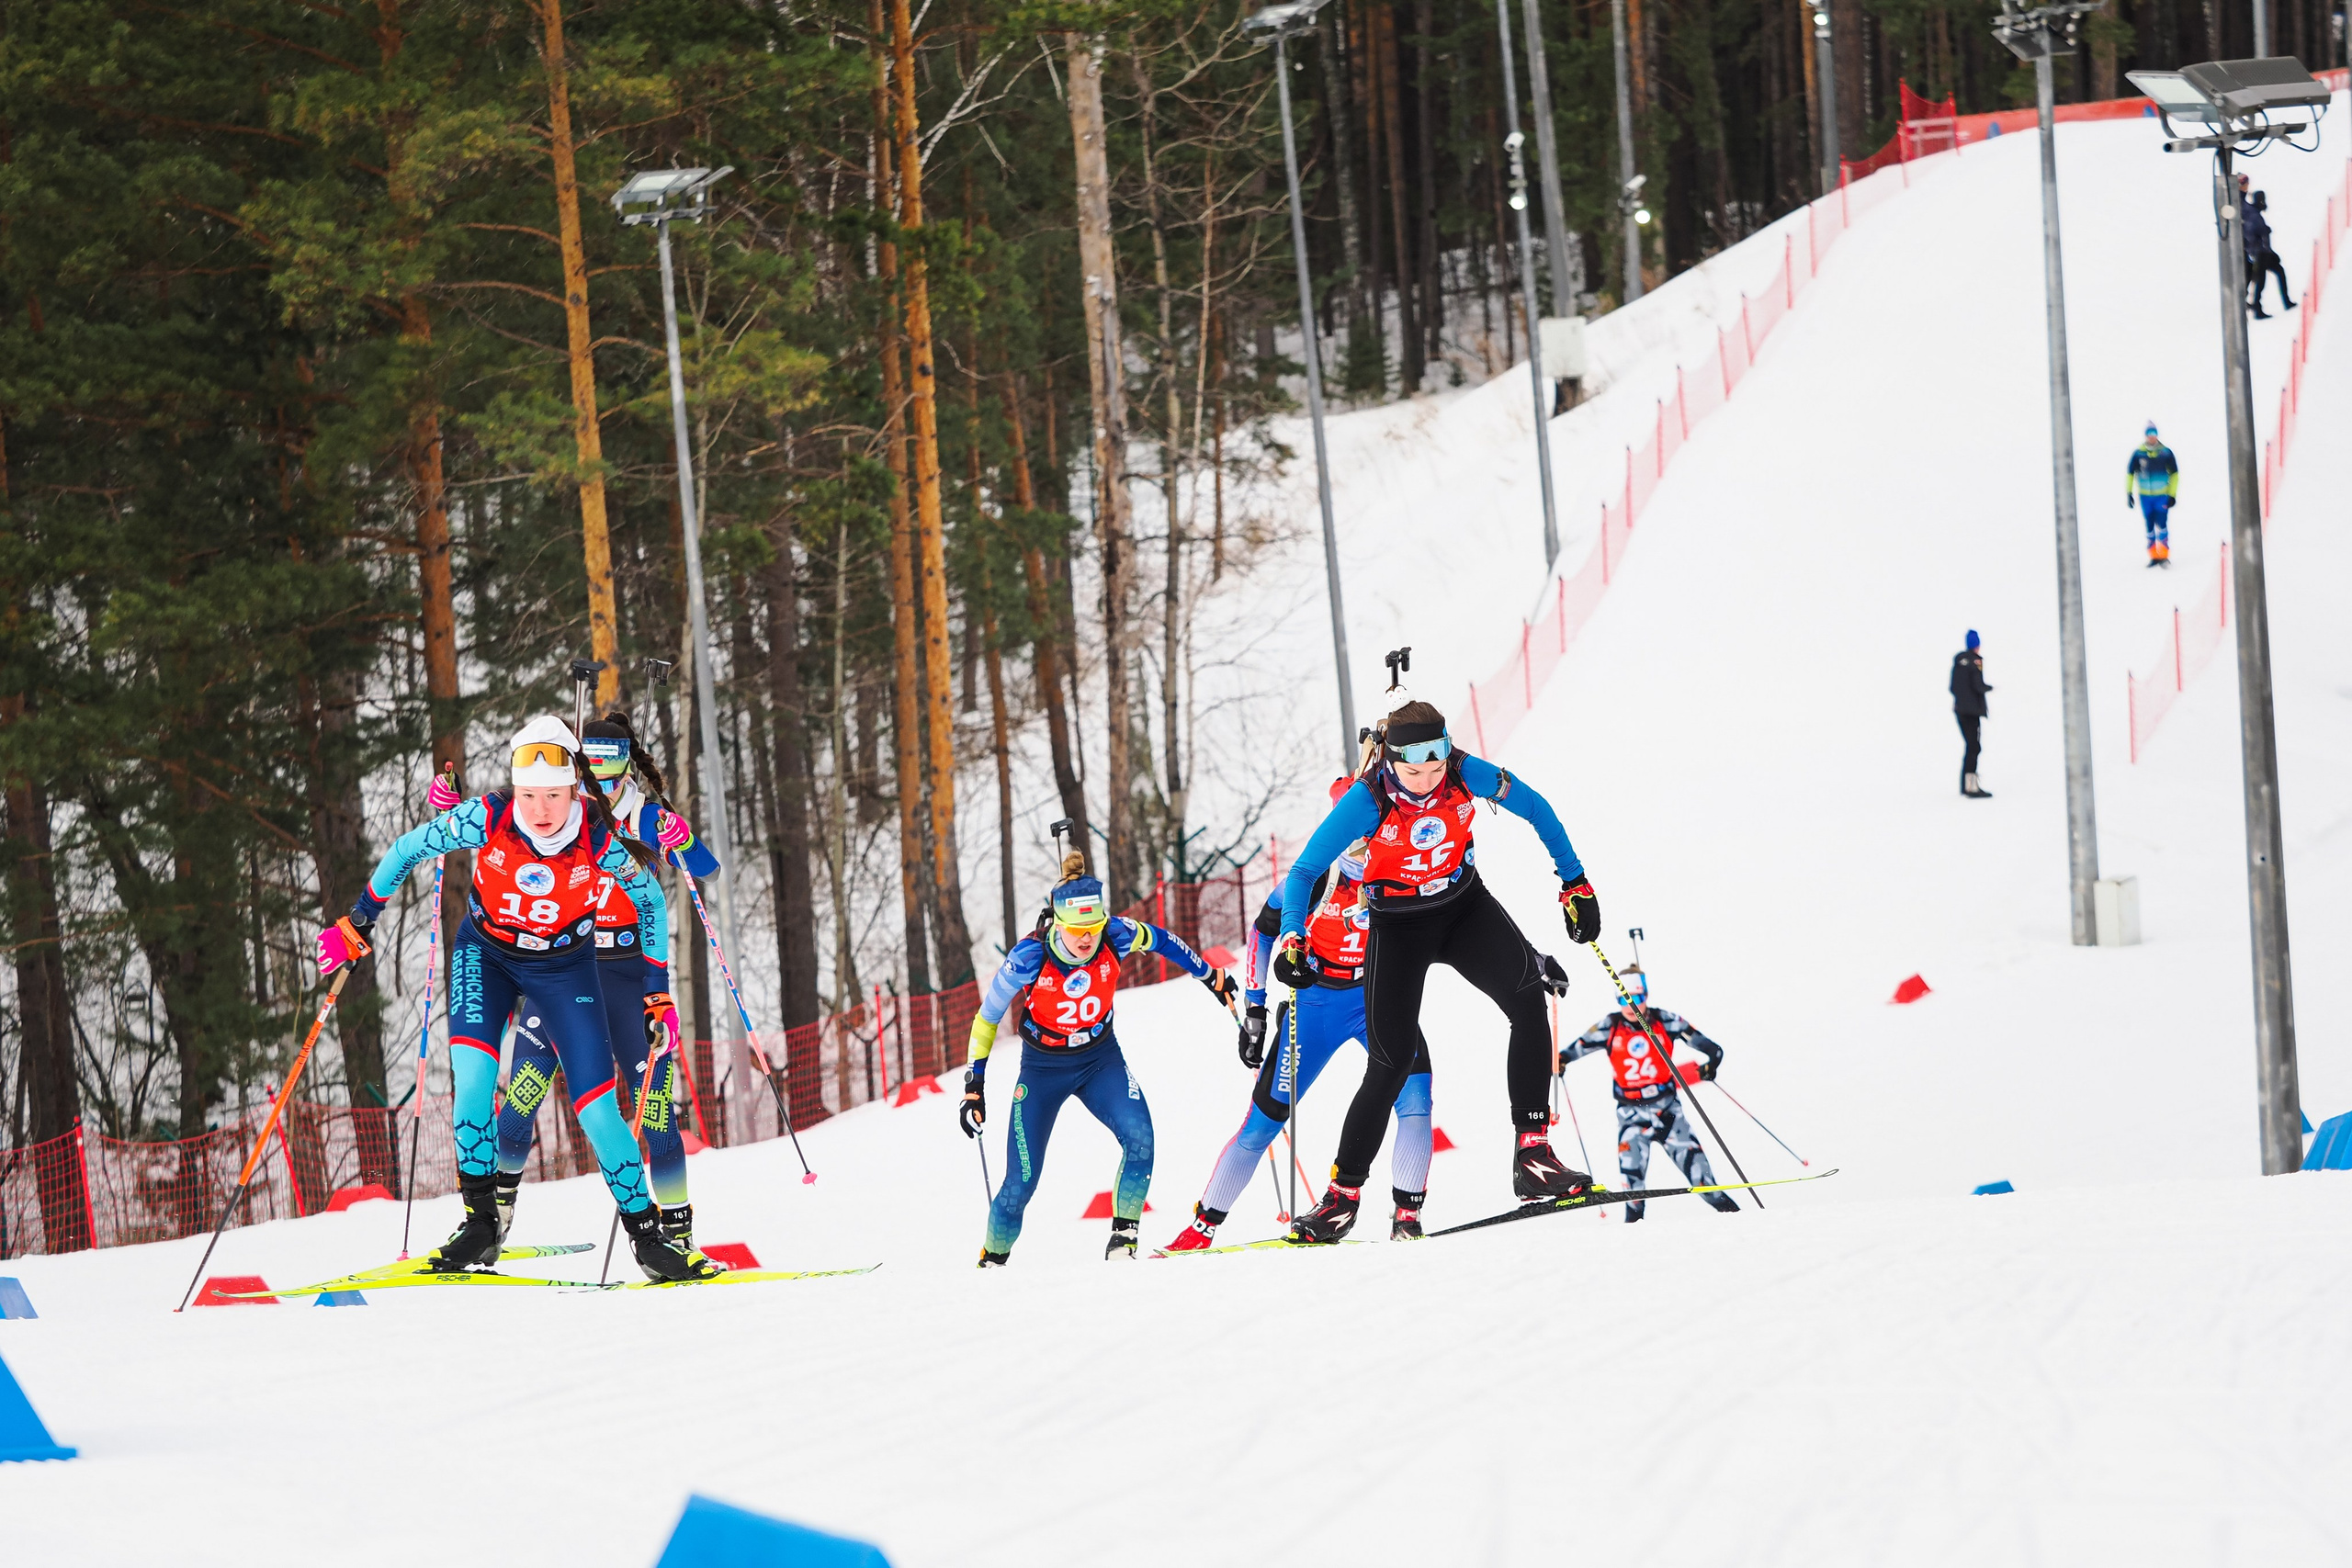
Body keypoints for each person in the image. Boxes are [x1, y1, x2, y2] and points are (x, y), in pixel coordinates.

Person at [314, 716, 707, 1281]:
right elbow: (405, 850)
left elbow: (647, 900)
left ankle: (648, 1238)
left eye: (553, 795)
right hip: (487, 956)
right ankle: (480, 1223)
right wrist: (359, 918)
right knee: (473, 1084)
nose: (540, 809)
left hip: (564, 968)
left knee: (598, 1108)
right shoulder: (489, 815)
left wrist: (657, 995)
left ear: (575, 788)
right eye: (529, 795)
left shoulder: (599, 834)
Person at [1283, 699, 1599, 1245]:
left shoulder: (1463, 769)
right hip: (1398, 925)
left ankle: (1534, 1155)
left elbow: (1537, 808)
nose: (1427, 781)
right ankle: (1341, 1199)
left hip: (1462, 908)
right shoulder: (1367, 799)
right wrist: (1293, 933)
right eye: (1413, 770)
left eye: (1435, 767)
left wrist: (1575, 882)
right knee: (1390, 1062)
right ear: (1390, 761)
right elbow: (1305, 869)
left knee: (1527, 1000)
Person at [488, 712, 721, 1276]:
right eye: (591, 766)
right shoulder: (561, 811)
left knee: (658, 1112)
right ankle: (490, 1222)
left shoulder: (642, 815)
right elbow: (504, 817)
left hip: (632, 977)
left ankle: (676, 1235)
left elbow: (704, 869)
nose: (601, 780)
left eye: (610, 768)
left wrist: (679, 837)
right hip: (566, 967)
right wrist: (447, 806)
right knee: (520, 1100)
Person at [1164, 779, 1437, 1251]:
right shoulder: (1314, 881)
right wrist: (1255, 1008)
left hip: (1378, 1001)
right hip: (1316, 1008)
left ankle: (1407, 1216)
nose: (1362, 846)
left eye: (1370, 833)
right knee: (1262, 1124)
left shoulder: (1403, 872)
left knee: (1416, 1102)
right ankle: (1201, 1228)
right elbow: (1260, 934)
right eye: (1350, 834)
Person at [958, 853, 1239, 1263]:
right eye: (1077, 930)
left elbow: (1164, 941)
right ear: (1057, 923)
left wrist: (1208, 975)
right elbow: (987, 1019)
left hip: (1099, 1059)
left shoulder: (1116, 934)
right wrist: (973, 1087)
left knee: (1141, 1139)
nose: (1088, 939)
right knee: (1020, 1183)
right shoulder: (1028, 958)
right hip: (1042, 1070)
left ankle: (1123, 1242)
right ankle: (992, 1261)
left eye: (1093, 927)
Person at [1558, 964, 1738, 1224]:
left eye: (1637, 998)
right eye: (1624, 999)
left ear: (1646, 996)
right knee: (1632, 1198)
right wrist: (1558, 1062)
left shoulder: (1665, 1021)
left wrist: (1710, 1066)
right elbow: (1569, 1053)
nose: (1631, 1006)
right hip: (1632, 1119)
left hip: (1669, 1115)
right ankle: (1633, 1251)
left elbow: (1713, 1050)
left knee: (1707, 1187)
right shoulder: (1610, 1026)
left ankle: (1747, 1225)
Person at [2126, 423, 2177, 568]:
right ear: (2146, 436)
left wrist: (2172, 494)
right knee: (2149, 525)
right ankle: (2154, 555)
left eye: (2154, 434)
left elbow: (2175, 474)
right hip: (2145, 496)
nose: (2152, 437)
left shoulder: (2165, 453)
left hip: (2161, 495)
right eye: (2149, 434)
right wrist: (2129, 493)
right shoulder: (2138, 454)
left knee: (2162, 524)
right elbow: (2130, 473)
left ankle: (2164, 555)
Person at [2242, 182, 2295, 319]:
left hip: (2263, 251)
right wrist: (2259, 238)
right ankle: (2257, 309)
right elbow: (2250, 232)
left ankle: (2284, 302)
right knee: (2261, 279)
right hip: (2259, 252)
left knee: (2275, 273)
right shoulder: (2251, 212)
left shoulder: (2254, 212)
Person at [1951, 630, 1992, 800]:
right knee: (1974, 747)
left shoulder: (1958, 663)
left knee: (1970, 746)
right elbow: (1978, 686)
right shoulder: (1975, 662)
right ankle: (1971, 787)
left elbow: (1952, 688)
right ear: (1977, 645)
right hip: (1972, 712)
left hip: (1960, 711)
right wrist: (1989, 688)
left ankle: (1965, 785)